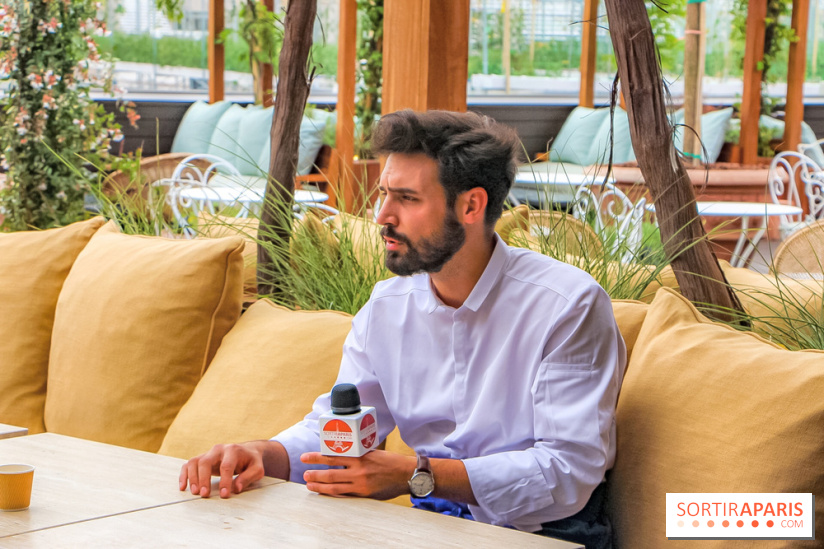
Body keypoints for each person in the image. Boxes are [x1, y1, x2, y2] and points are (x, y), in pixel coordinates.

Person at [179, 110, 626, 548]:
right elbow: (344, 428)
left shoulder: (567, 306)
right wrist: (263, 455)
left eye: (407, 199)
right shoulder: (386, 308)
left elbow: (566, 471)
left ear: (471, 205)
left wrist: (416, 475)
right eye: (384, 194)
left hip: (543, 534)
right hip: (429, 528)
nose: (382, 215)